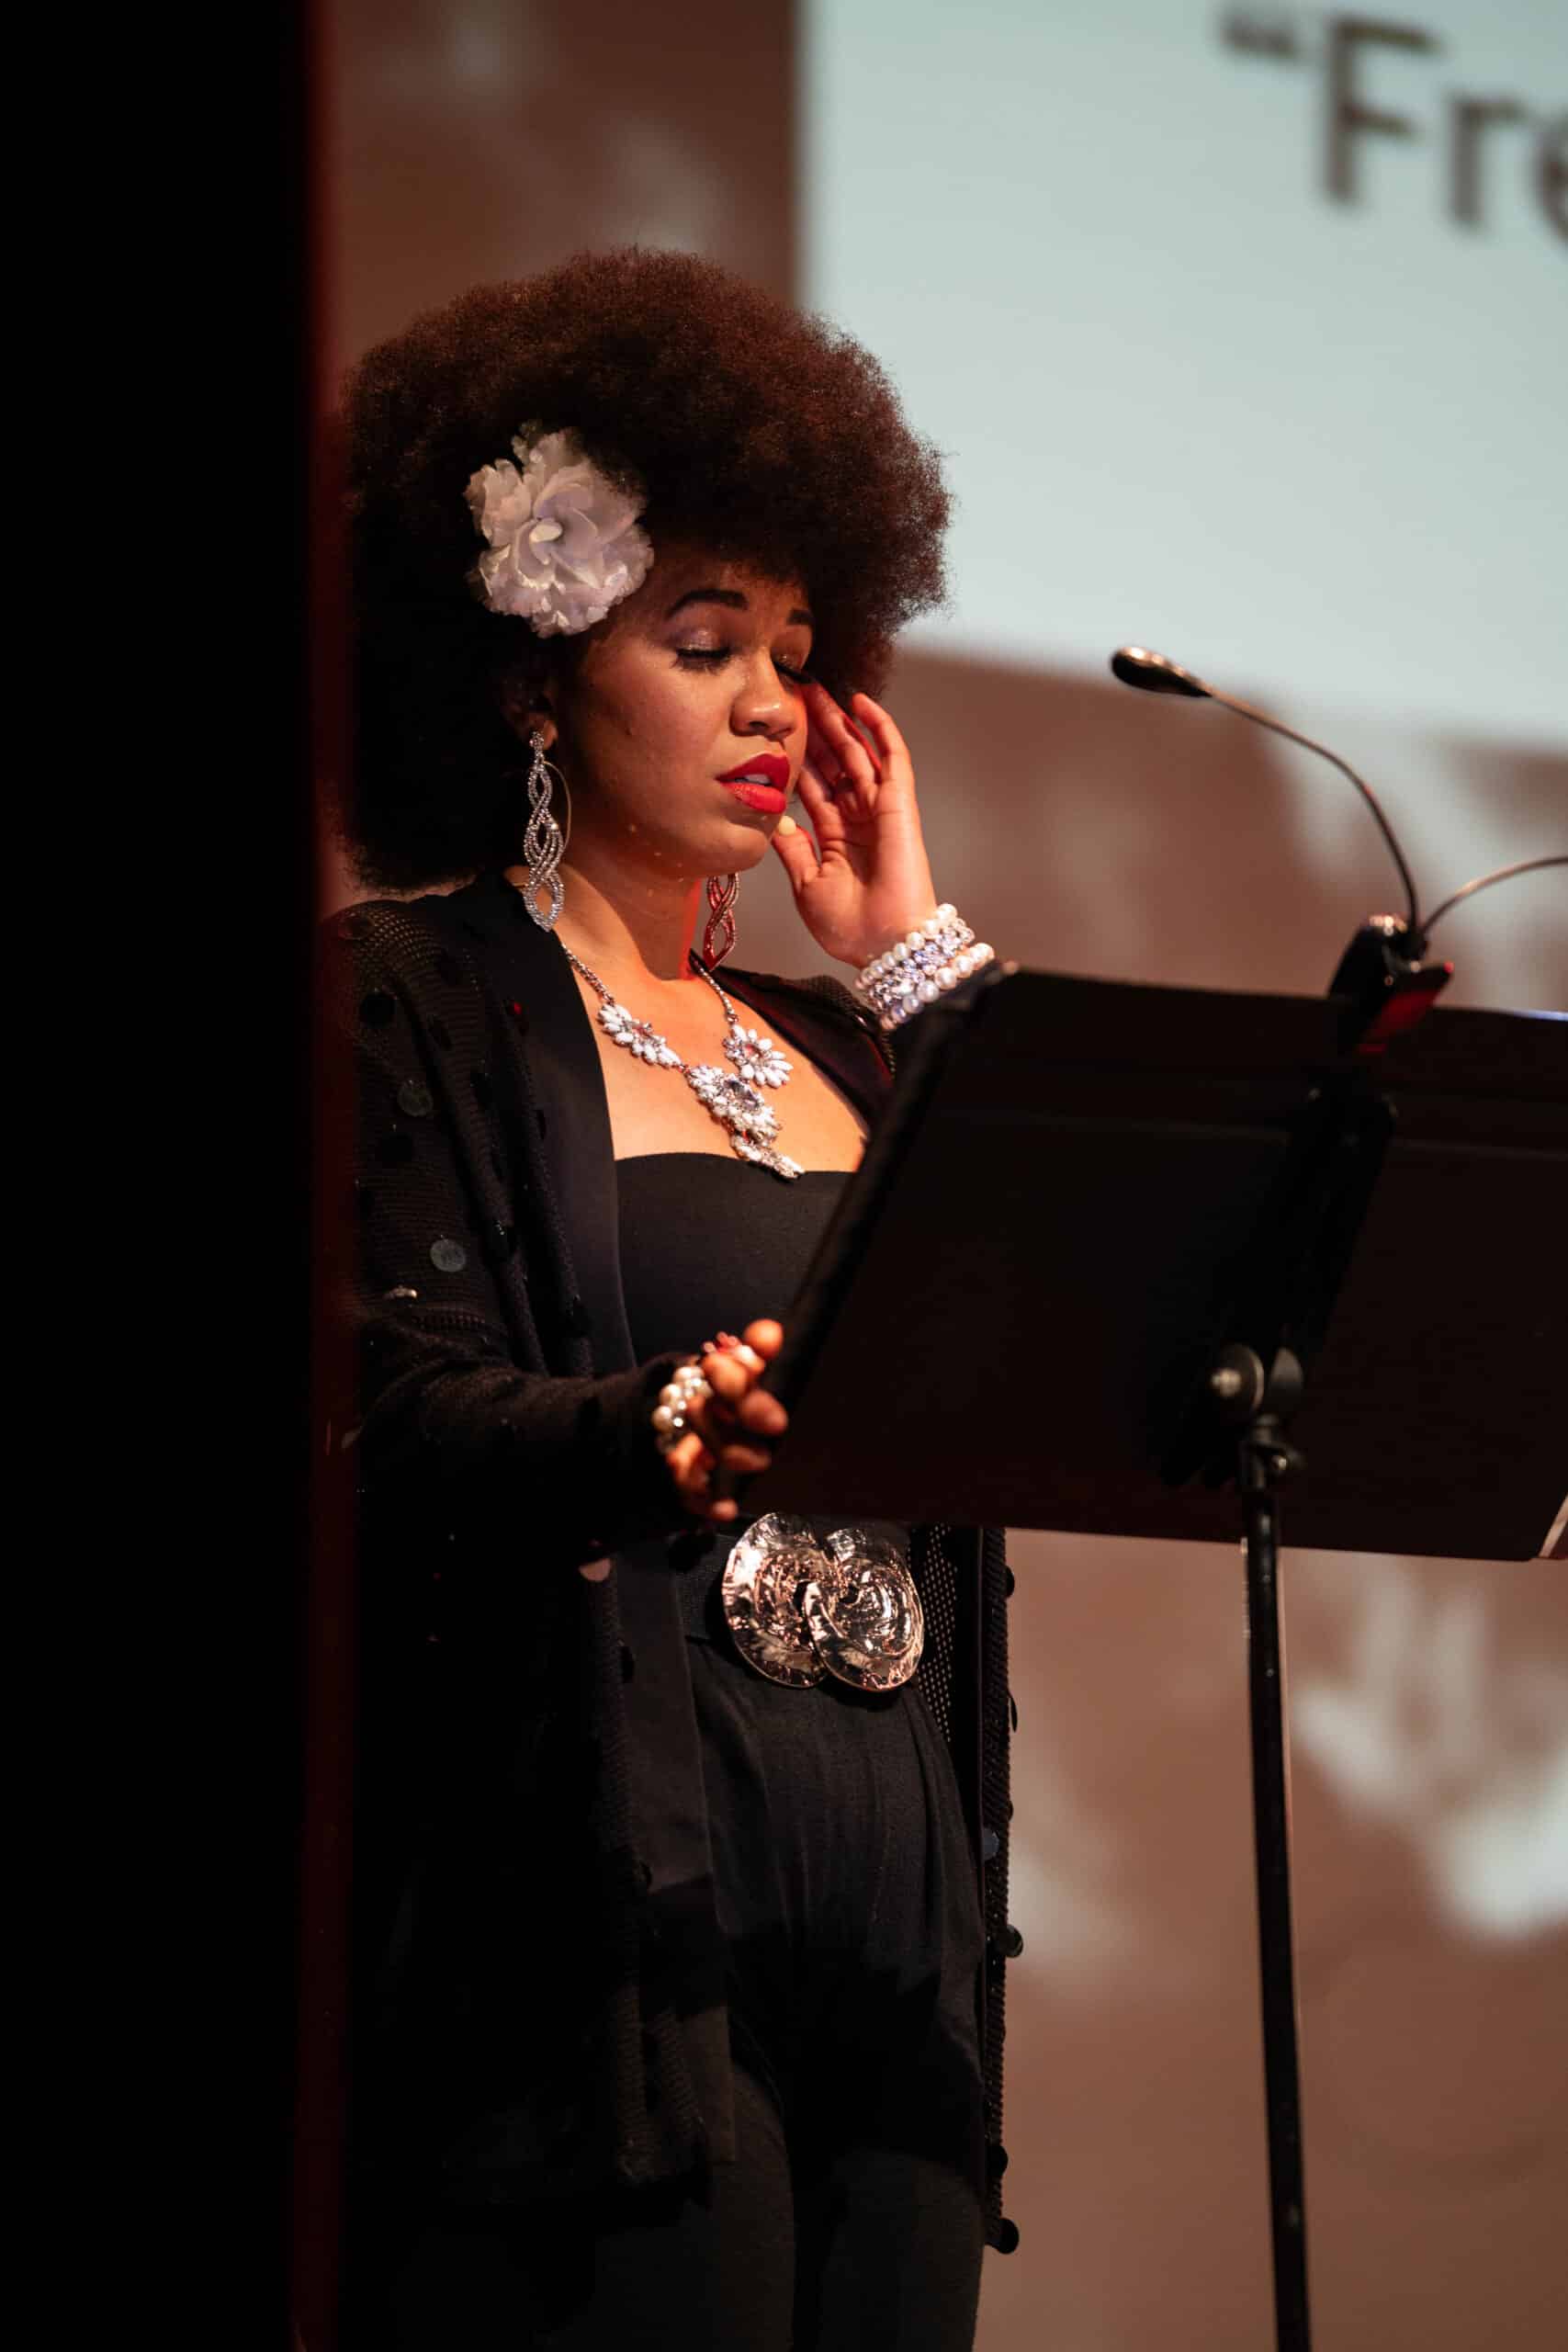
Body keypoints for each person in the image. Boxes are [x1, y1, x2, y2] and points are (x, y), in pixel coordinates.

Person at [328, 247, 1018, 2350]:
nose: (770, 702)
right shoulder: (407, 992)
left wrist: (912, 958)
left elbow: (1051, 1324)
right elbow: (377, 1405)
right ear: (530, 679)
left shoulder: (845, 1048)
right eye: (703, 641)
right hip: (604, 1941)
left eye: (795, 652)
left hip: (895, 1950)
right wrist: (644, 1430)